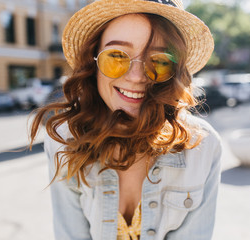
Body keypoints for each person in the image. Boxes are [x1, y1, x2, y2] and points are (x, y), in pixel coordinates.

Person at [29, 0, 222, 239]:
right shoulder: (63, 142)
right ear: (93, 62)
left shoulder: (203, 147)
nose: (137, 76)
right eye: (117, 56)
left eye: (159, 60)